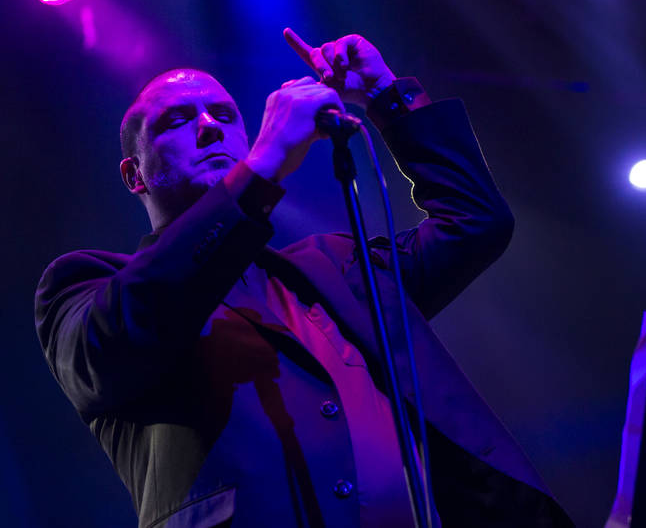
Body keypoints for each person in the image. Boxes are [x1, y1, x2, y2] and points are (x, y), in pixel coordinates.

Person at [35, 29, 574, 528]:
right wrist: (266, 163)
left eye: (224, 114)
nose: (208, 126)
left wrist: (386, 98)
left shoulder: (335, 265)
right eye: (176, 121)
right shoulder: (87, 284)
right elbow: (120, 339)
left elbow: (475, 221)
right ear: (134, 174)